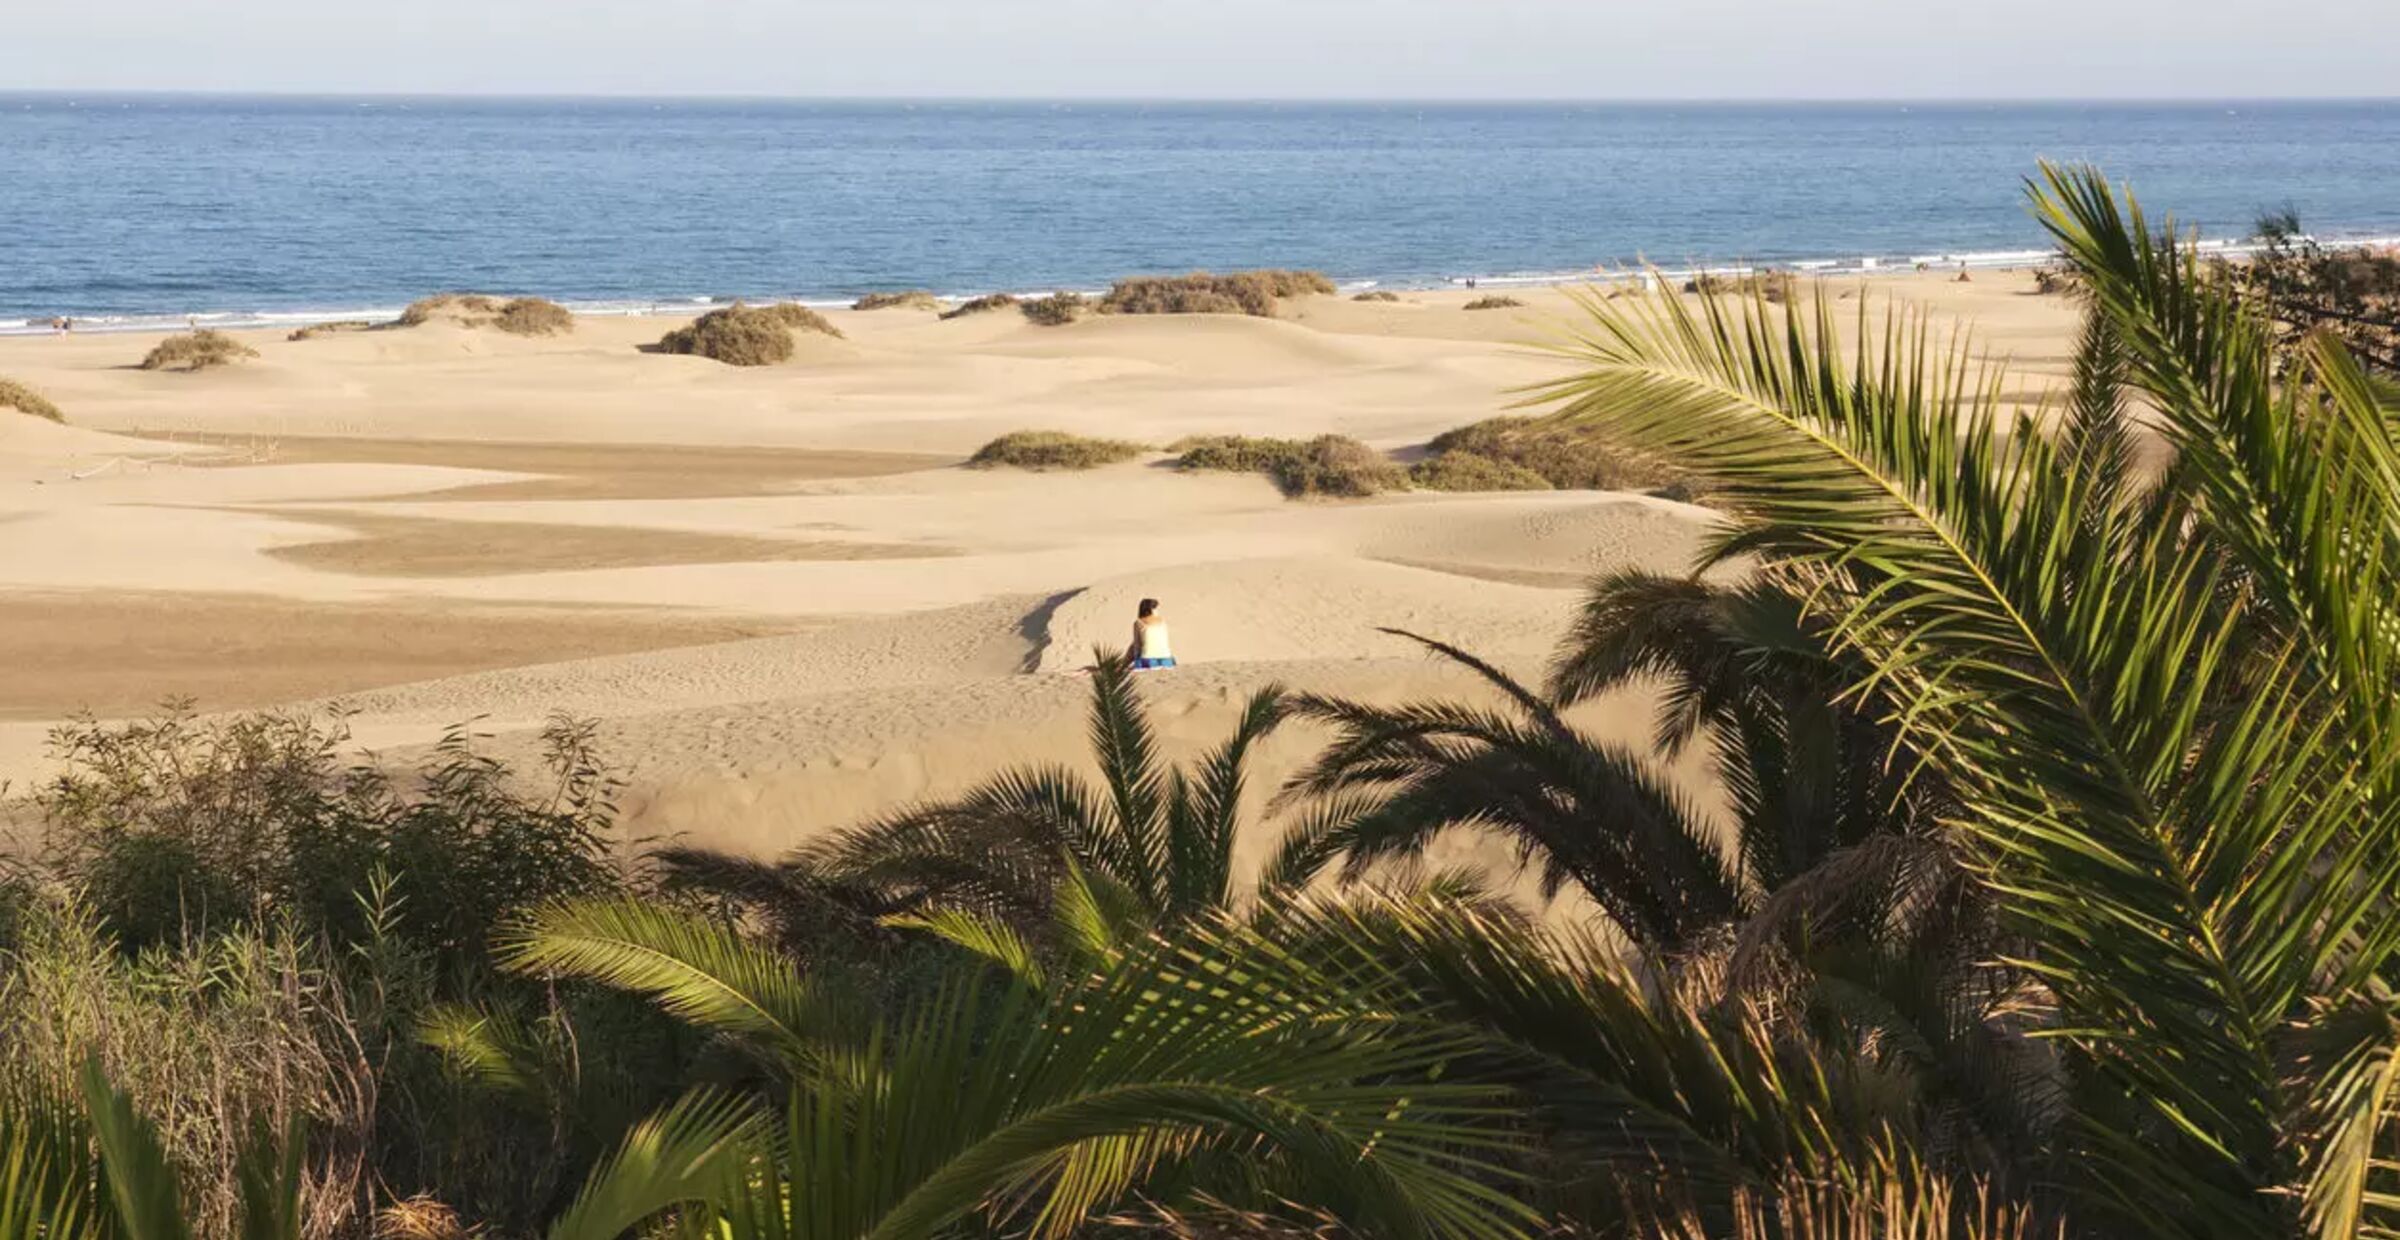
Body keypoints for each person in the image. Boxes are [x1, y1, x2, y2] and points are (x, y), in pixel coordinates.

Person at [1128, 598, 1176, 670]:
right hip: (1167, 660)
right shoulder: (1162, 622)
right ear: (1151, 610)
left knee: (1133, 646)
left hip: (1148, 660)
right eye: (1155, 608)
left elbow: (1137, 645)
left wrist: (1135, 660)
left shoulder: (1139, 622)